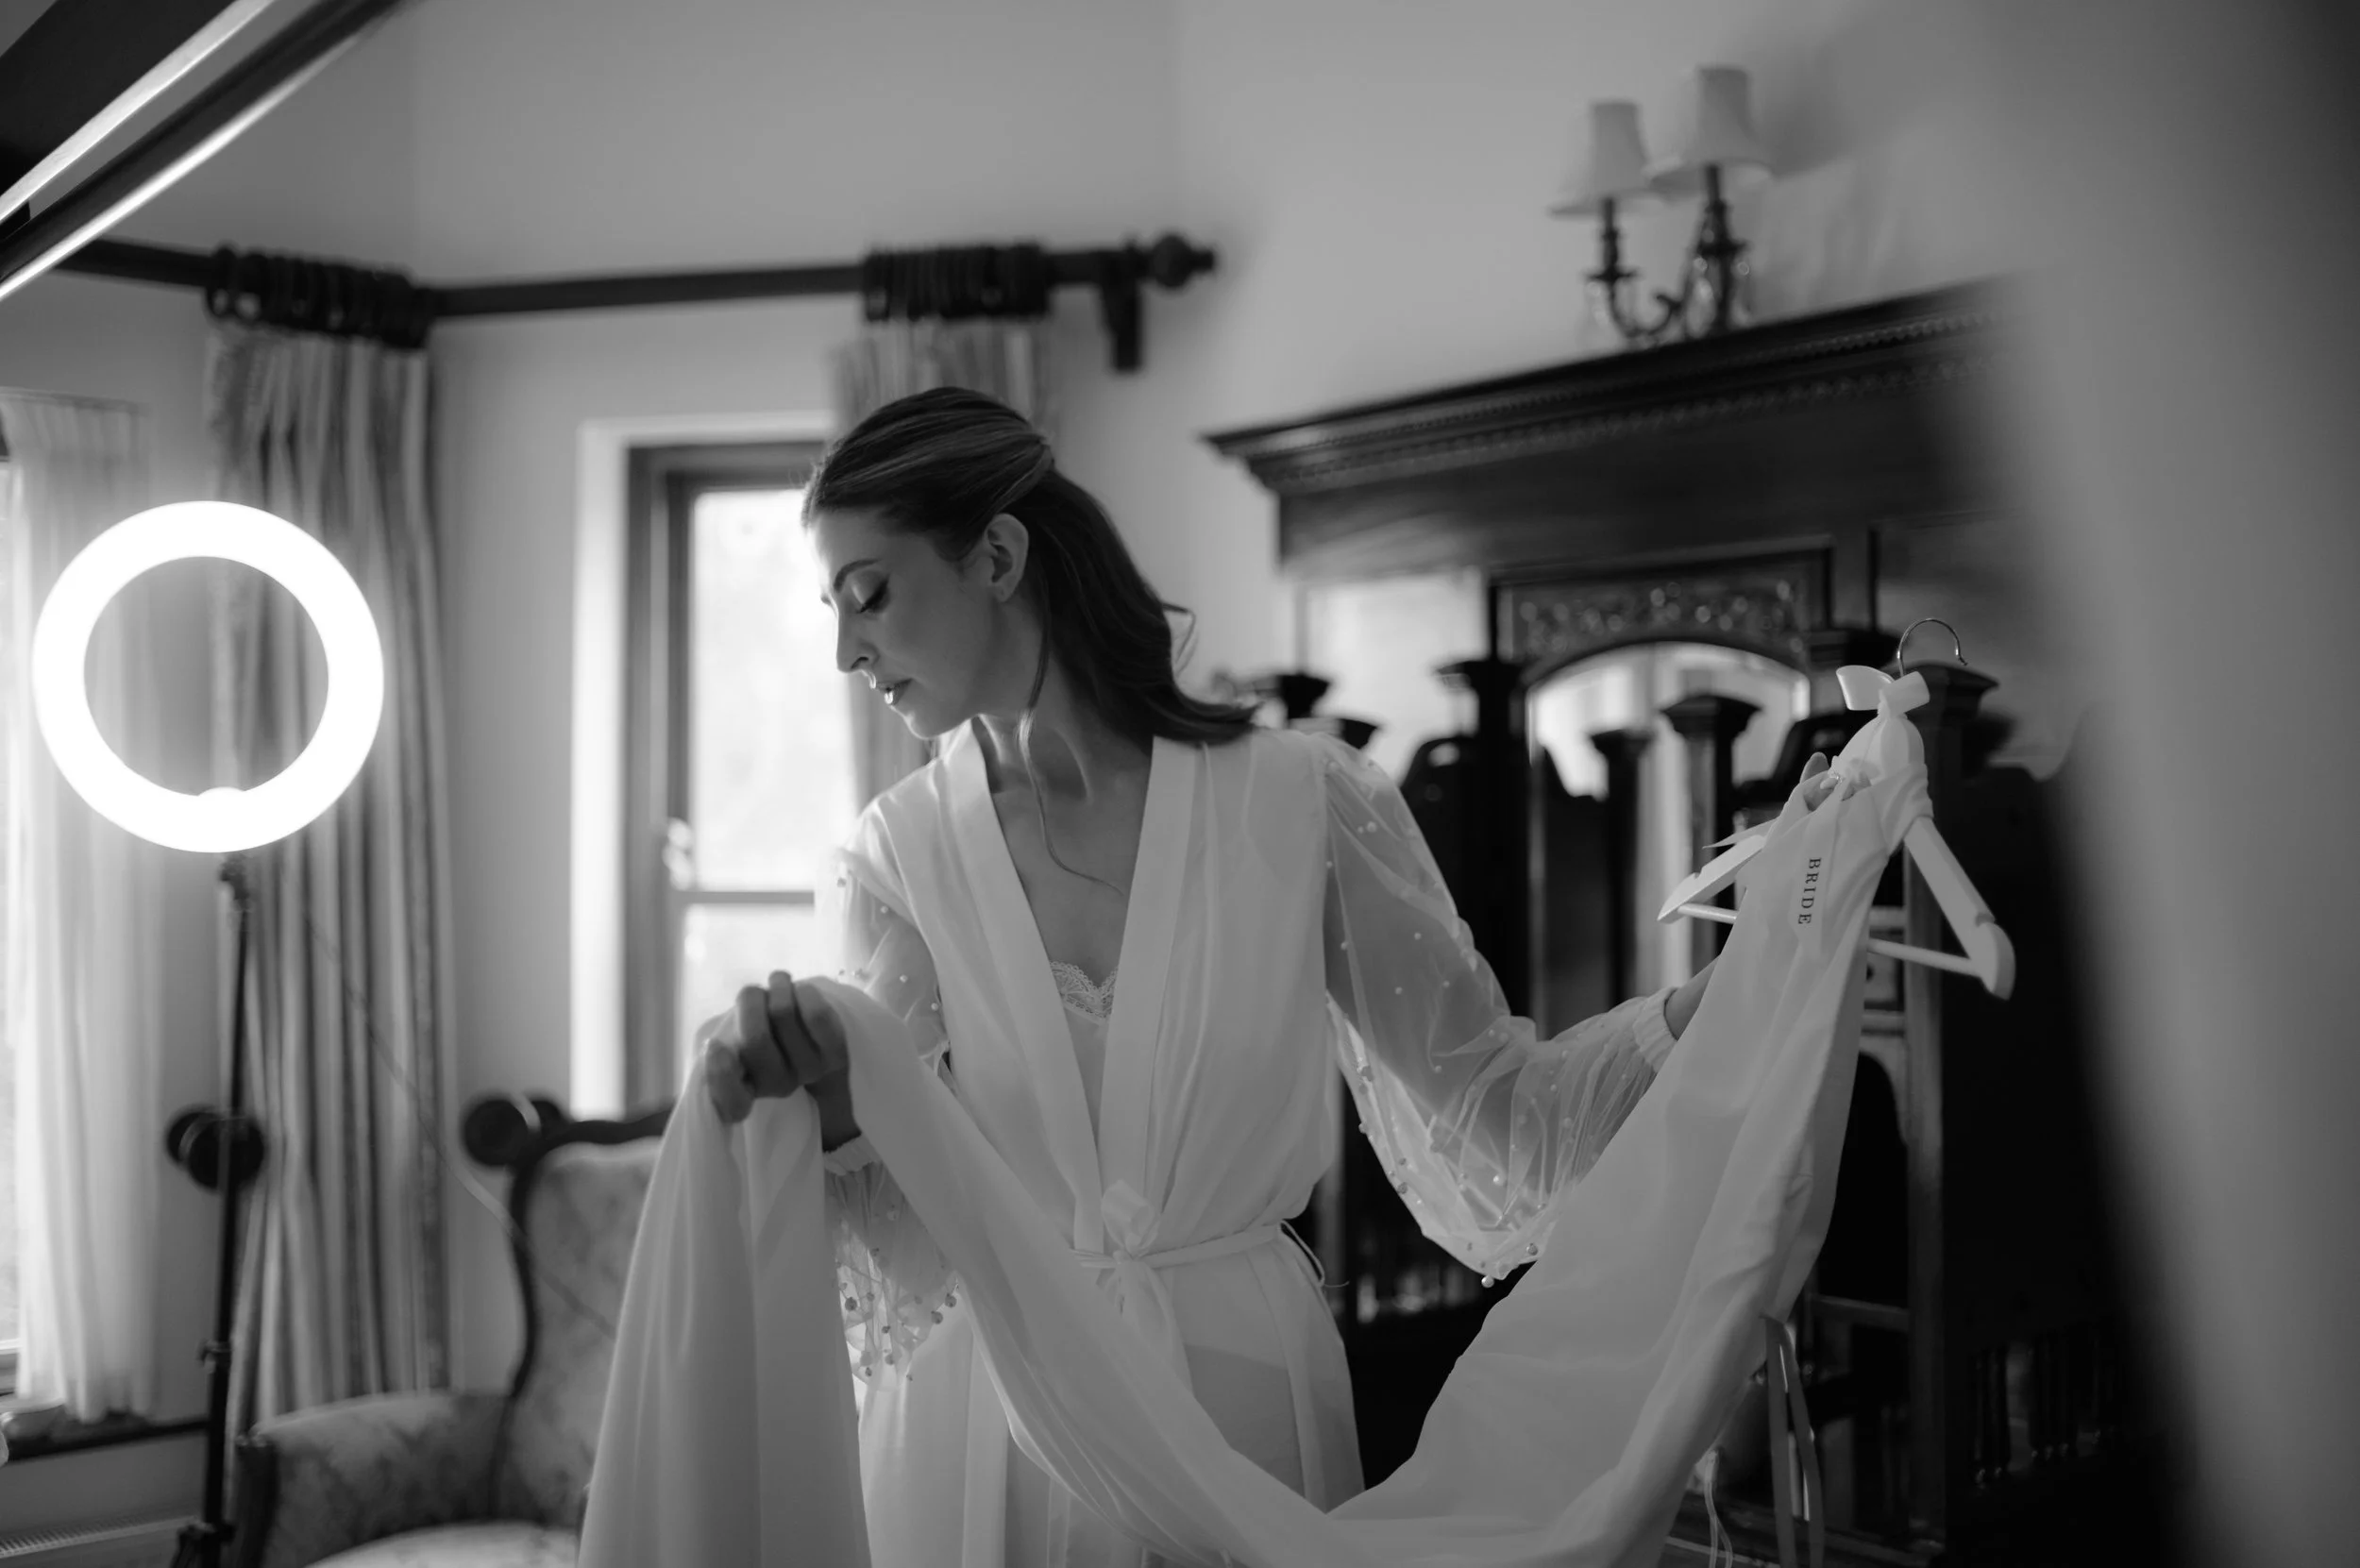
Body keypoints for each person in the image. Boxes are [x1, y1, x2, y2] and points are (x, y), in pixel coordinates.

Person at [696, 386, 1745, 1568]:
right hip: (995, 1428)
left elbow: (1496, 1109)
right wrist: (833, 1115)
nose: (845, 651)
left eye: (869, 594)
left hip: (1243, 1407)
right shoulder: (897, 855)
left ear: (996, 554)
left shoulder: (1304, 800)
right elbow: (913, 1254)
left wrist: (1713, 1005)